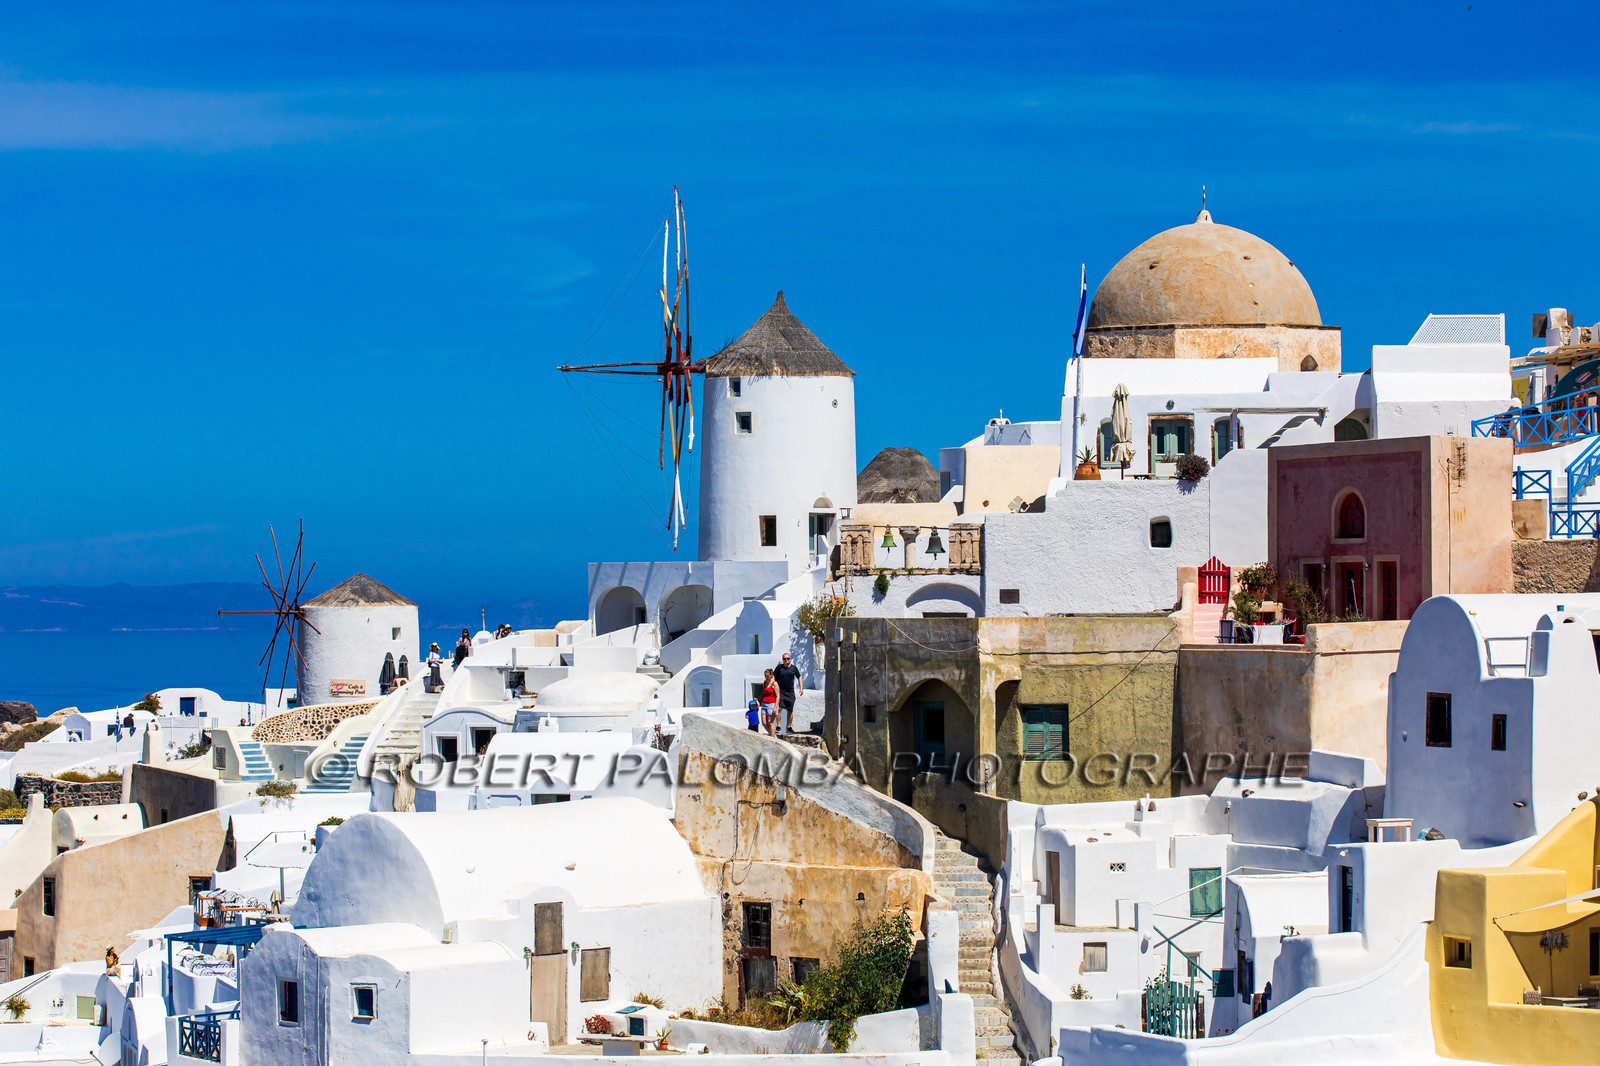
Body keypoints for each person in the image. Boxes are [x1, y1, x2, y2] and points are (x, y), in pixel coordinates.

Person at [772, 652, 803, 734]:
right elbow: (773, 676)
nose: (786, 660)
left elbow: (799, 677)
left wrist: (801, 688)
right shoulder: (779, 667)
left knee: (790, 710)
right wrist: (773, 686)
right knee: (779, 708)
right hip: (780, 691)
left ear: (790, 659)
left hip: (790, 692)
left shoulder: (794, 668)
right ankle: (778, 726)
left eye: (788, 659)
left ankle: (789, 727)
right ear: (782, 659)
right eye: (784, 659)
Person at [759, 669, 779, 737]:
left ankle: (772, 737)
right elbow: (763, 693)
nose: (766, 678)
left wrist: (775, 707)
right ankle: (772, 735)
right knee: (764, 723)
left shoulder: (774, 684)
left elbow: (778, 696)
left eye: (767, 676)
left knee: (770, 722)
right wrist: (759, 699)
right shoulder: (765, 683)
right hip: (764, 703)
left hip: (771, 704)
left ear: (771, 675)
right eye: (765, 676)